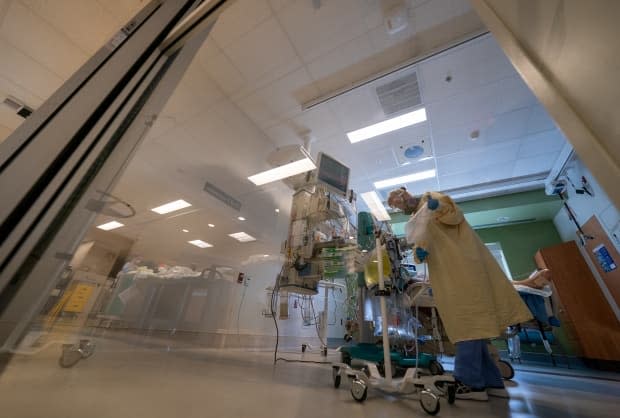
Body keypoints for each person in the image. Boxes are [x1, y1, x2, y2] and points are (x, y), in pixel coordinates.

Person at [387, 187, 532, 401]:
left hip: (462, 266)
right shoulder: (417, 219)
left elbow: (454, 214)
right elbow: (421, 243)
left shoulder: (430, 199)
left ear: (406, 193)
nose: (400, 204)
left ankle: (470, 383)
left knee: (466, 323)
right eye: (395, 205)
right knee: (473, 327)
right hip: (447, 270)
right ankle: (492, 382)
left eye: (399, 199)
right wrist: (419, 254)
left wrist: (438, 207)